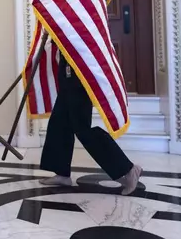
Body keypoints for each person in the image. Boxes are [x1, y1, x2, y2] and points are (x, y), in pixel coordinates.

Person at [39, 52, 143, 195]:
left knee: (82, 128)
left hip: (81, 73)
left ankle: (128, 169)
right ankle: (61, 173)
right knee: (60, 123)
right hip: (67, 70)